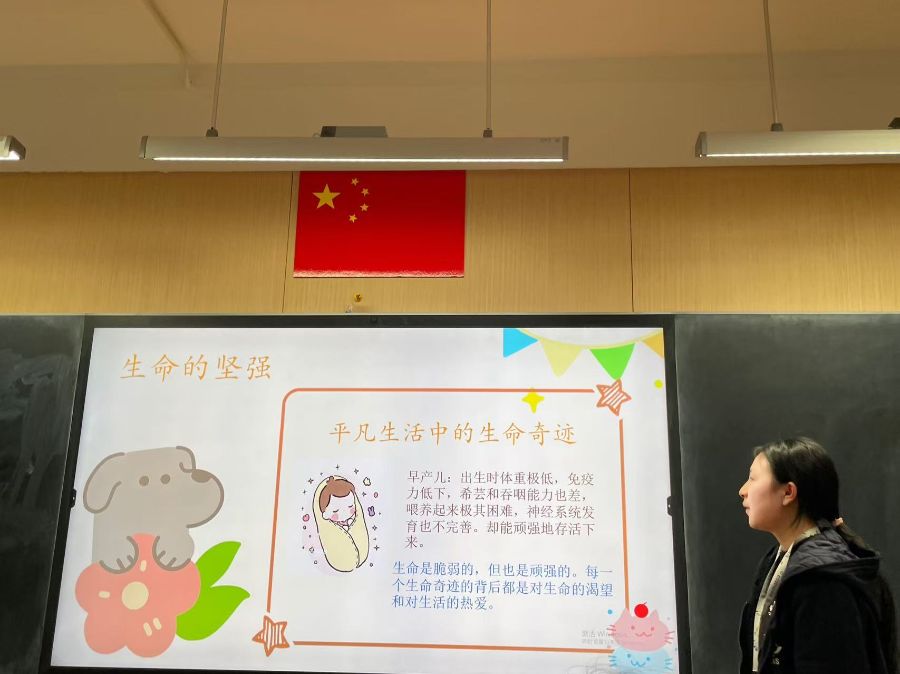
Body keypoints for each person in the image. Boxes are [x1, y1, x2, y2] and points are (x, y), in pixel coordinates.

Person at [737, 437, 898, 674]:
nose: (742, 491)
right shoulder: (778, 559)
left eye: (752, 478)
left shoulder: (822, 581)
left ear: (788, 492)